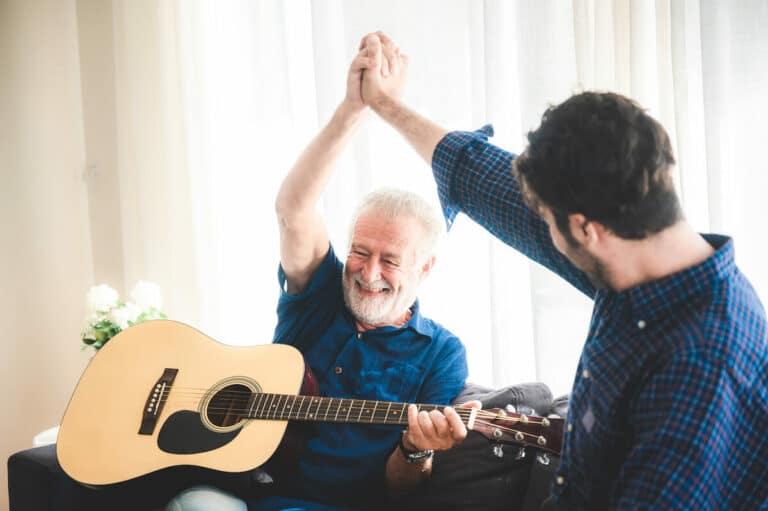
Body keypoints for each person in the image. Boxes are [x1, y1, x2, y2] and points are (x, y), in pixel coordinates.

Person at [356, 32, 768, 509]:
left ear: (586, 229)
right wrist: (384, 104)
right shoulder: (638, 247)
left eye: (549, 224)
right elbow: (483, 178)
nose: (542, 231)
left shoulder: (702, 370)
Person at [166, 41, 473, 511]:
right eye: (360, 252)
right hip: (241, 490)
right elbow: (294, 209)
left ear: (425, 268)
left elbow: (401, 488)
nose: (369, 273)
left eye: (390, 260)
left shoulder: (441, 353)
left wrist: (415, 449)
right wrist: (354, 108)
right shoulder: (319, 294)